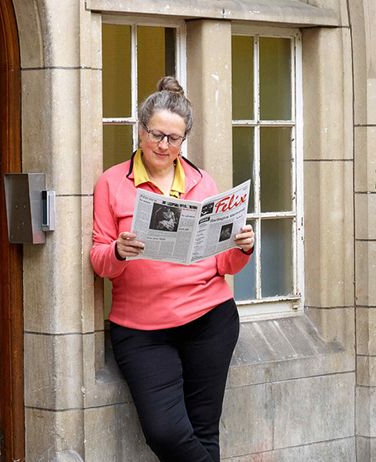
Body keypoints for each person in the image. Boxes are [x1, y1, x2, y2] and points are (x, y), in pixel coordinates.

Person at [90, 76, 255, 462]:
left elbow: (223, 263)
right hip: (142, 330)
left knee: (203, 430)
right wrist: (118, 250)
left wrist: (242, 247)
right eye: (156, 135)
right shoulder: (112, 184)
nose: (164, 146)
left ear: (184, 140)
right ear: (140, 129)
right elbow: (99, 261)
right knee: (165, 432)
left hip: (210, 319)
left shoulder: (202, 181)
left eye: (174, 138)